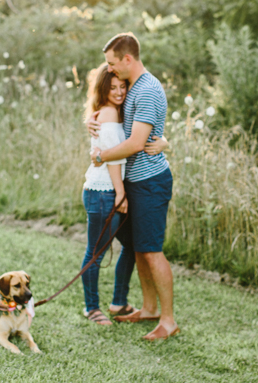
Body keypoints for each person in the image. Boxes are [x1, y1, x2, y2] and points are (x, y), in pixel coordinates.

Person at [88, 32, 179, 341]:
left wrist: (100, 156)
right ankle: (150, 308)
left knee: (152, 251)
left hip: (150, 183)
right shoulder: (132, 88)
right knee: (139, 250)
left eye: (113, 64)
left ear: (127, 59)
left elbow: (137, 143)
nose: (110, 70)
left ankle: (168, 320)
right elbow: (111, 118)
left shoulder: (149, 89)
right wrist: (89, 120)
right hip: (133, 181)